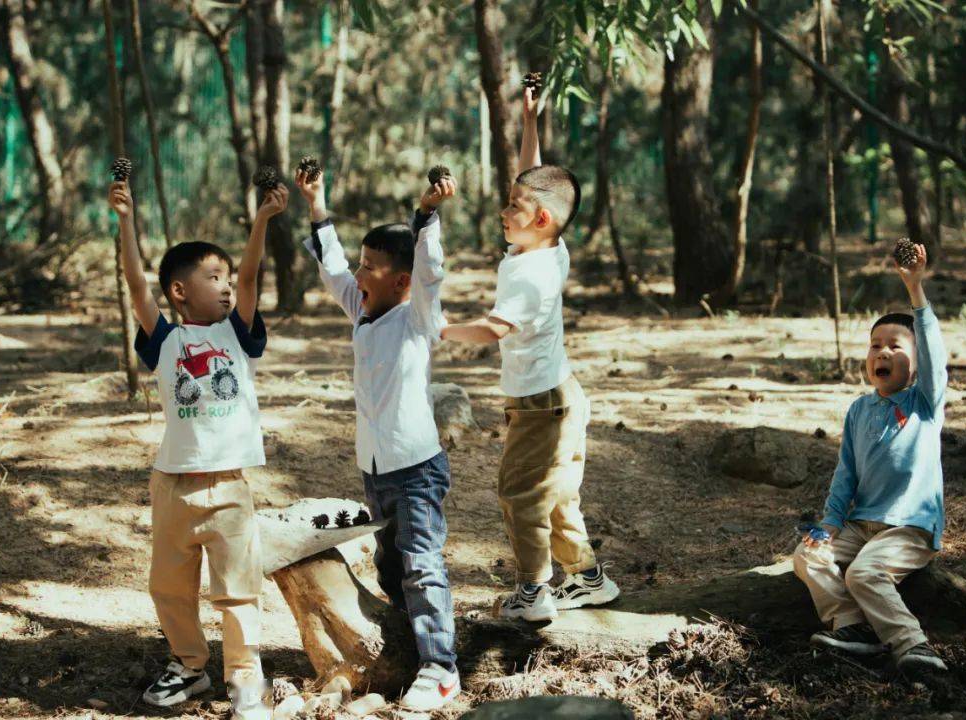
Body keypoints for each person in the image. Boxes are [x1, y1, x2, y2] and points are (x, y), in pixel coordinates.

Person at [107, 177, 288, 719]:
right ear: (181, 291)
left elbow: (253, 276)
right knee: (169, 586)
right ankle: (189, 665)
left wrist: (261, 221)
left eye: (228, 278)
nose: (228, 286)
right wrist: (125, 220)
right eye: (214, 278)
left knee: (237, 590)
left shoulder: (237, 333)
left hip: (230, 486)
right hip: (173, 484)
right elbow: (138, 287)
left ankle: (245, 679)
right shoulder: (165, 341)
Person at [440, 86, 619, 622]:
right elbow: (535, 179)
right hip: (558, 395)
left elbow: (493, 330)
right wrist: (530, 119)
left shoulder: (531, 274)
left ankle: (533, 591)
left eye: (513, 207)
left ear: (539, 218)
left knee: (519, 493)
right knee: (558, 492)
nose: (503, 210)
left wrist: (443, 330)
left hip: (540, 403)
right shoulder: (547, 245)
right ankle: (588, 579)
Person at [296, 165, 460, 712]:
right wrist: (318, 204)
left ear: (401, 281)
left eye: (371, 266)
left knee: (420, 562)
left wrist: (427, 217)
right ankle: (411, 646)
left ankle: (441, 668)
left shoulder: (416, 317)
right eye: (361, 264)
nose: (358, 274)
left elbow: (431, 270)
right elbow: (332, 268)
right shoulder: (363, 309)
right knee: (391, 565)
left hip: (415, 468)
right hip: (376, 470)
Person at [793, 242, 949, 674]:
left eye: (896, 347)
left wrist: (914, 289)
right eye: (875, 346)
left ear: (917, 364)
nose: (883, 352)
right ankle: (853, 628)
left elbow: (934, 350)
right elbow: (846, 474)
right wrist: (828, 525)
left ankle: (913, 646)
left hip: (908, 527)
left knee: (864, 574)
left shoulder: (925, 403)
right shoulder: (859, 409)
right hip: (859, 525)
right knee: (808, 556)